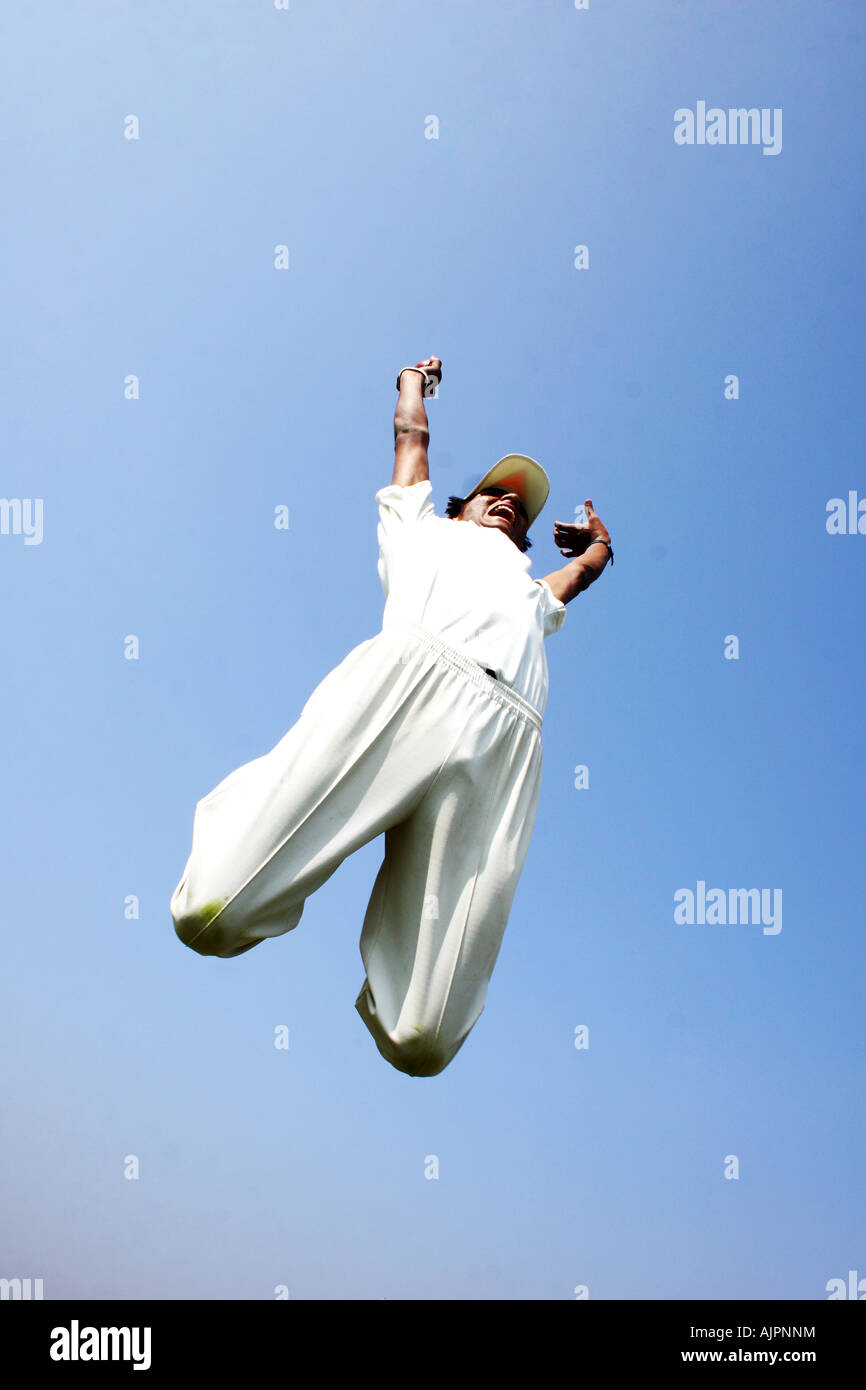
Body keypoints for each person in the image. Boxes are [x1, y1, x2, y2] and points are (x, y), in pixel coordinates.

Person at [170, 357, 613, 1076]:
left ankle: (405, 1017)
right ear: (456, 507)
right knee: (210, 912)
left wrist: (599, 541)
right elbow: (412, 437)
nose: (507, 501)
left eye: (518, 507)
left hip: (503, 737)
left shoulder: (532, 595)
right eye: (492, 493)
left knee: (424, 1040)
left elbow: (586, 572)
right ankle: (226, 880)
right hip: (406, 684)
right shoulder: (418, 526)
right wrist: (412, 381)